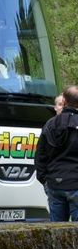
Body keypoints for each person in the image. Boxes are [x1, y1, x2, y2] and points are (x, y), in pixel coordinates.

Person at [35, 86, 78, 222]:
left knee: (57, 233)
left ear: (64, 101)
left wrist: (46, 181)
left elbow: (40, 156)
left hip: (54, 184)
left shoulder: (50, 124)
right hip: (75, 184)